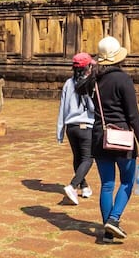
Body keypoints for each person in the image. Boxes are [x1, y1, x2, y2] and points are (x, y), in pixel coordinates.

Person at [90, 36, 139, 243]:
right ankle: (113, 220)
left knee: (107, 184)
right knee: (126, 182)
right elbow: (132, 114)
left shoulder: (94, 80)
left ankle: (107, 233)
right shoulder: (123, 79)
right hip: (122, 137)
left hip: (99, 136)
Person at [54, 52, 98, 206]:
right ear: (87, 68)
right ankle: (72, 186)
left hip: (71, 127)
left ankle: (84, 186)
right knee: (88, 158)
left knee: (78, 158)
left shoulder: (68, 83)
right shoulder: (89, 83)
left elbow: (63, 108)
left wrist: (60, 129)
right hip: (86, 126)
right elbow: (92, 108)